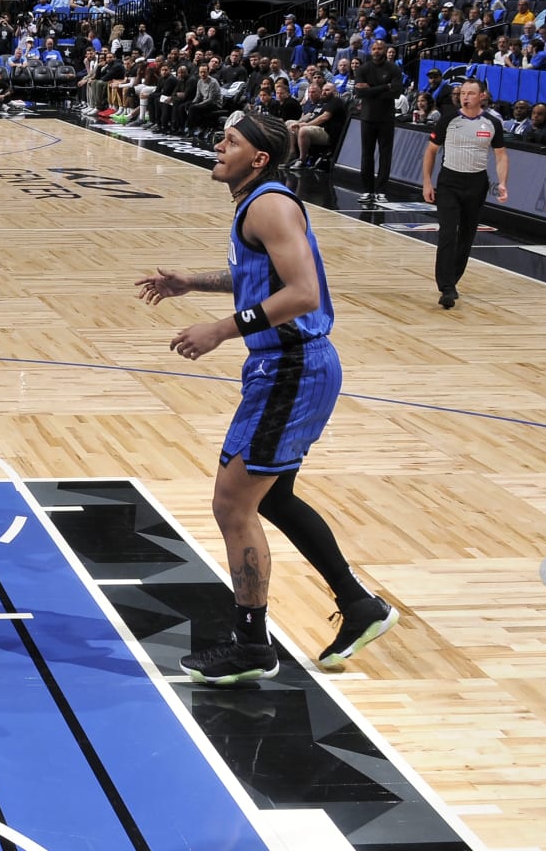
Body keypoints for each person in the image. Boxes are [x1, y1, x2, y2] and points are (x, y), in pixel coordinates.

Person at [136, 112, 396, 687]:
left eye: (230, 141)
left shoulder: (269, 204)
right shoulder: (255, 205)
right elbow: (263, 278)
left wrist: (221, 329)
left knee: (233, 505)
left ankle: (253, 644)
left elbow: (303, 294)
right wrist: (191, 283)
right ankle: (359, 606)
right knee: (272, 498)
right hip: (287, 368)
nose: (217, 145)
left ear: (258, 158)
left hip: (292, 368)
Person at [421, 80, 508, 310]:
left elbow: (500, 155)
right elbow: (431, 151)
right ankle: (446, 287)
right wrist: (427, 182)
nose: (465, 97)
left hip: (477, 182)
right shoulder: (449, 118)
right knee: (448, 232)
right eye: (463, 93)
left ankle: (454, 279)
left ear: (482, 96)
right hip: (450, 180)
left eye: (471, 93)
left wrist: (503, 183)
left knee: (467, 235)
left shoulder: (492, 122)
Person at [350, 39, 403, 204]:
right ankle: (367, 191)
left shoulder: (393, 68)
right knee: (367, 154)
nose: (377, 51)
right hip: (368, 117)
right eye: (374, 48)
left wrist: (371, 89)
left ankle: (381, 192)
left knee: (385, 155)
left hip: (387, 118)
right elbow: (360, 93)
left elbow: (395, 93)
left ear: (385, 49)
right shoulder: (363, 68)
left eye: (380, 48)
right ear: (370, 50)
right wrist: (384, 87)